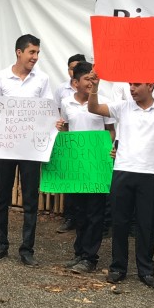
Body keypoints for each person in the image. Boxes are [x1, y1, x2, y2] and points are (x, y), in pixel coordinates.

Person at [87, 71, 154, 288]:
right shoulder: (123, 106)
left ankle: (146, 270)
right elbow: (94, 108)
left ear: (151, 85)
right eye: (130, 84)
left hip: (151, 174)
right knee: (120, 223)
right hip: (123, 171)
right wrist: (95, 87)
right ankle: (118, 267)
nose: (132, 89)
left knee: (146, 225)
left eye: (136, 84)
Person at [0, 34, 52, 267]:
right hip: (6, 147)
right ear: (19, 52)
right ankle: (1, 244)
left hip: (30, 150)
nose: (35, 57)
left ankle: (27, 249)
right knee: (2, 196)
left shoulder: (42, 79)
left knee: (30, 199)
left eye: (37, 53)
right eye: (32, 52)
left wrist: (53, 121)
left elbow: (47, 109)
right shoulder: (1, 77)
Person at [56, 62, 114, 274]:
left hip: (96, 164)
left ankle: (90, 257)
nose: (91, 82)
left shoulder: (104, 103)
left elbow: (110, 131)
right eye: (87, 79)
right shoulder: (66, 102)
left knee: (95, 212)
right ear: (75, 82)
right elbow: (67, 130)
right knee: (79, 210)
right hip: (76, 165)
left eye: (93, 78)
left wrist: (106, 153)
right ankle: (78, 253)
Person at [54, 53, 86, 234]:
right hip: (71, 144)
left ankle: (85, 220)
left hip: (88, 148)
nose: (73, 71)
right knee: (70, 183)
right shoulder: (61, 91)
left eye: (77, 68)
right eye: (71, 68)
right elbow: (60, 115)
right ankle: (69, 218)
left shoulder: (95, 96)